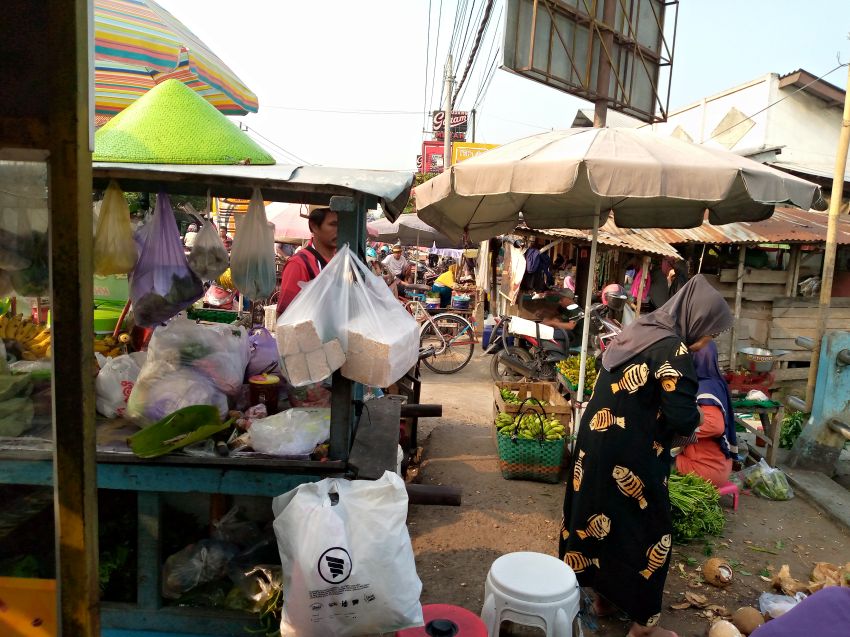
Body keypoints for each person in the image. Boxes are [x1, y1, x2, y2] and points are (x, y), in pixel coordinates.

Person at [560, 275, 732, 637]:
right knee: (651, 529)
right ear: (697, 320)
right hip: (633, 451)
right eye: (711, 334)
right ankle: (643, 626)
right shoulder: (674, 349)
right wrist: (696, 421)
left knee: (599, 515)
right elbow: (682, 416)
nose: (706, 343)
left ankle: (605, 598)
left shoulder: (639, 330)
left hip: (594, 445)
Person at [674, 340, 735, 486]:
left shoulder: (705, 388)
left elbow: (715, 426)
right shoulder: (715, 383)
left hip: (706, 469)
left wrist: (675, 432)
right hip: (717, 466)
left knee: (650, 461)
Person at [275, 205, 338, 315]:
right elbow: (283, 316)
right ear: (314, 226)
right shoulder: (299, 264)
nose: (339, 230)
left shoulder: (342, 262)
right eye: (333, 224)